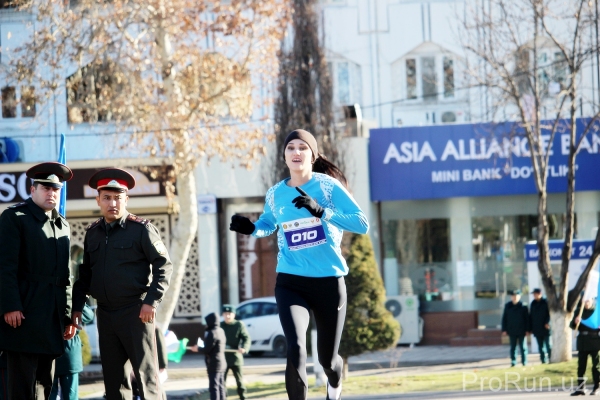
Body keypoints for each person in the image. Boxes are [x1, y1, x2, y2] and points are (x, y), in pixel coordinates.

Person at [229, 129, 369, 400]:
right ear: (284, 155)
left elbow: (361, 223)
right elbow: (267, 225)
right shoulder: (275, 194)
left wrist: (321, 211)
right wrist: (251, 228)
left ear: (313, 155)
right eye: (290, 147)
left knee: (327, 360)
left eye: (302, 148)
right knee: (295, 348)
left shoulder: (328, 187)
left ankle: (334, 383)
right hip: (291, 281)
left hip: (329, 282)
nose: (296, 152)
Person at [71, 168, 173, 400]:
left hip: (136, 312)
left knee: (147, 378)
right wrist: (77, 306)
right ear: (98, 200)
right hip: (106, 315)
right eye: (107, 197)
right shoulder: (93, 233)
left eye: (118, 197)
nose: (112, 203)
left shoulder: (141, 230)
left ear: (126, 199)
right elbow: (85, 274)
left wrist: (151, 302)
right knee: (114, 382)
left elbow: (163, 266)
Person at [0, 162, 77, 400]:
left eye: (56, 189)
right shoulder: (15, 217)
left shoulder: (62, 224)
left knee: (46, 384)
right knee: (22, 388)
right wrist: (11, 305)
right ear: (33, 190)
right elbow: (5, 266)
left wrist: (67, 316)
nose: (51, 193)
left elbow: (65, 276)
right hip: (23, 315)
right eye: (45, 188)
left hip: (51, 319)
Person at [50, 304, 95, 400]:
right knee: (70, 395)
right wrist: (74, 318)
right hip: (68, 351)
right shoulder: (72, 298)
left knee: (50, 394)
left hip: (60, 351)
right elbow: (89, 315)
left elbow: (89, 315)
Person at [220, 304, 251, 400]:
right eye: (225, 314)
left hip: (235, 356)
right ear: (223, 314)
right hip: (223, 357)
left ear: (234, 314)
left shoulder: (239, 325)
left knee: (239, 381)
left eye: (230, 313)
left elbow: (246, 338)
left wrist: (244, 348)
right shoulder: (220, 326)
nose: (228, 316)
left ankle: (243, 397)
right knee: (221, 382)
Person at [571, 298, 600, 396]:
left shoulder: (596, 311)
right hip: (582, 341)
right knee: (581, 366)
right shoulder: (579, 311)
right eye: (585, 301)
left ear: (592, 301)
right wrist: (575, 322)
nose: (586, 303)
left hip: (594, 341)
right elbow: (572, 326)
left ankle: (597, 386)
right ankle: (580, 388)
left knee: (596, 366)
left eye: (588, 300)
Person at [501, 289, 529, 367]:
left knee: (523, 347)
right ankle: (513, 362)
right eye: (513, 296)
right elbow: (504, 318)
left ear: (519, 296)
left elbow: (527, 319)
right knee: (513, 347)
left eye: (516, 296)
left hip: (522, 330)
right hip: (512, 330)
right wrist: (504, 329)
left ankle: (524, 362)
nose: (514, 297)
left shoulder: (523, 306)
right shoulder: (508, 306)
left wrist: (527, 329)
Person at [204, 313, 227, 400]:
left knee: (214, 387)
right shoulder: (221, 330)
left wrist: (197, 348)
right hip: (222, 362)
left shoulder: (212, 333)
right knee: (221, 386)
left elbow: (207, 349)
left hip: (214, 363)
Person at [529, 288, 551, 364]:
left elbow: (550, 314)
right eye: (533, 294)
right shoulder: (533, 304)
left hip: (546, 328)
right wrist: (531, 328)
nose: (534, 295)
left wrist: (548, 322)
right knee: (540, 347)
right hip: (537, 328)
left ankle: (551, 359)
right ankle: (543, 360)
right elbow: (531, 316)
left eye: (535, 294)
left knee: (548, 345)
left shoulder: (546, 302)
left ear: (540, 294)